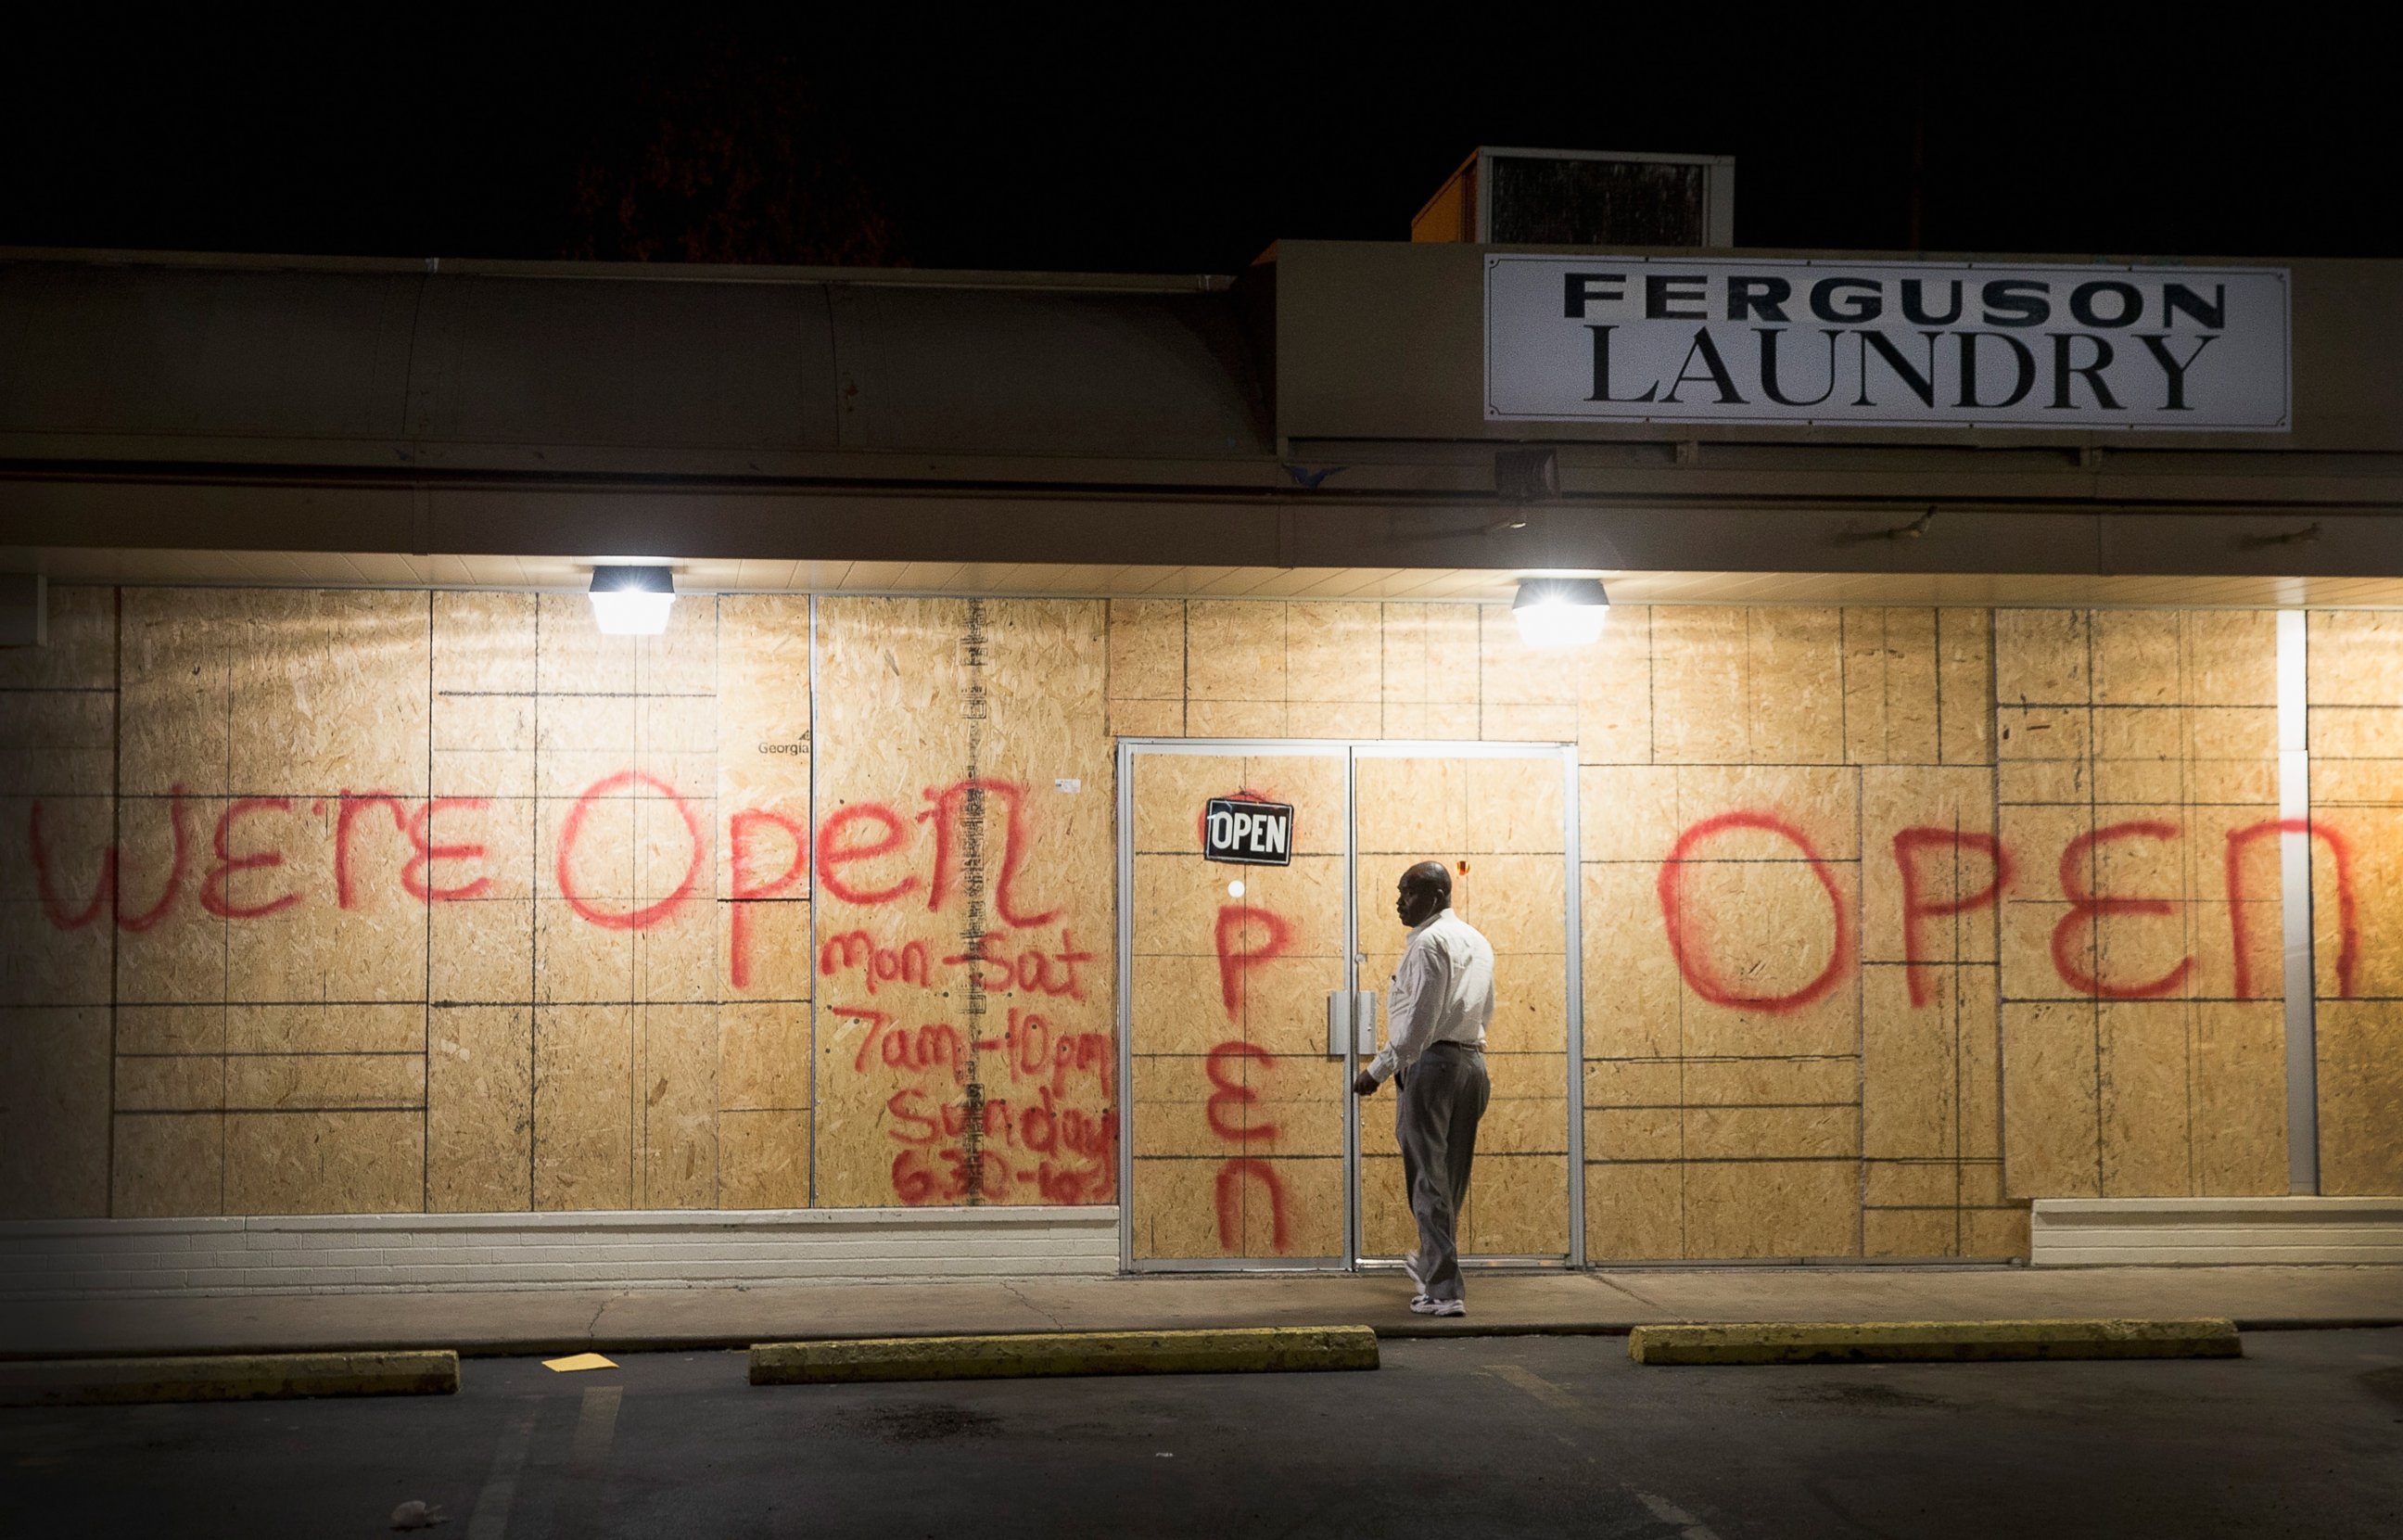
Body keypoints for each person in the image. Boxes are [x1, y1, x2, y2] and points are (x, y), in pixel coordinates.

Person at [1353, 859, 1494, 1317]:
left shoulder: (1428, 945)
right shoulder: (1477, 941)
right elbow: (1484, 1009)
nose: (1399, 902)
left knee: (1427, 1177)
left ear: (1435, 896)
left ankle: (1443, 1289)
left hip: (1432, 1067)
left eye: (1408, 892)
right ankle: (1435, 1261)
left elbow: (1417, 1026)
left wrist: (1375, 1071)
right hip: (1472, 1064)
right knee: (1449, 1178)